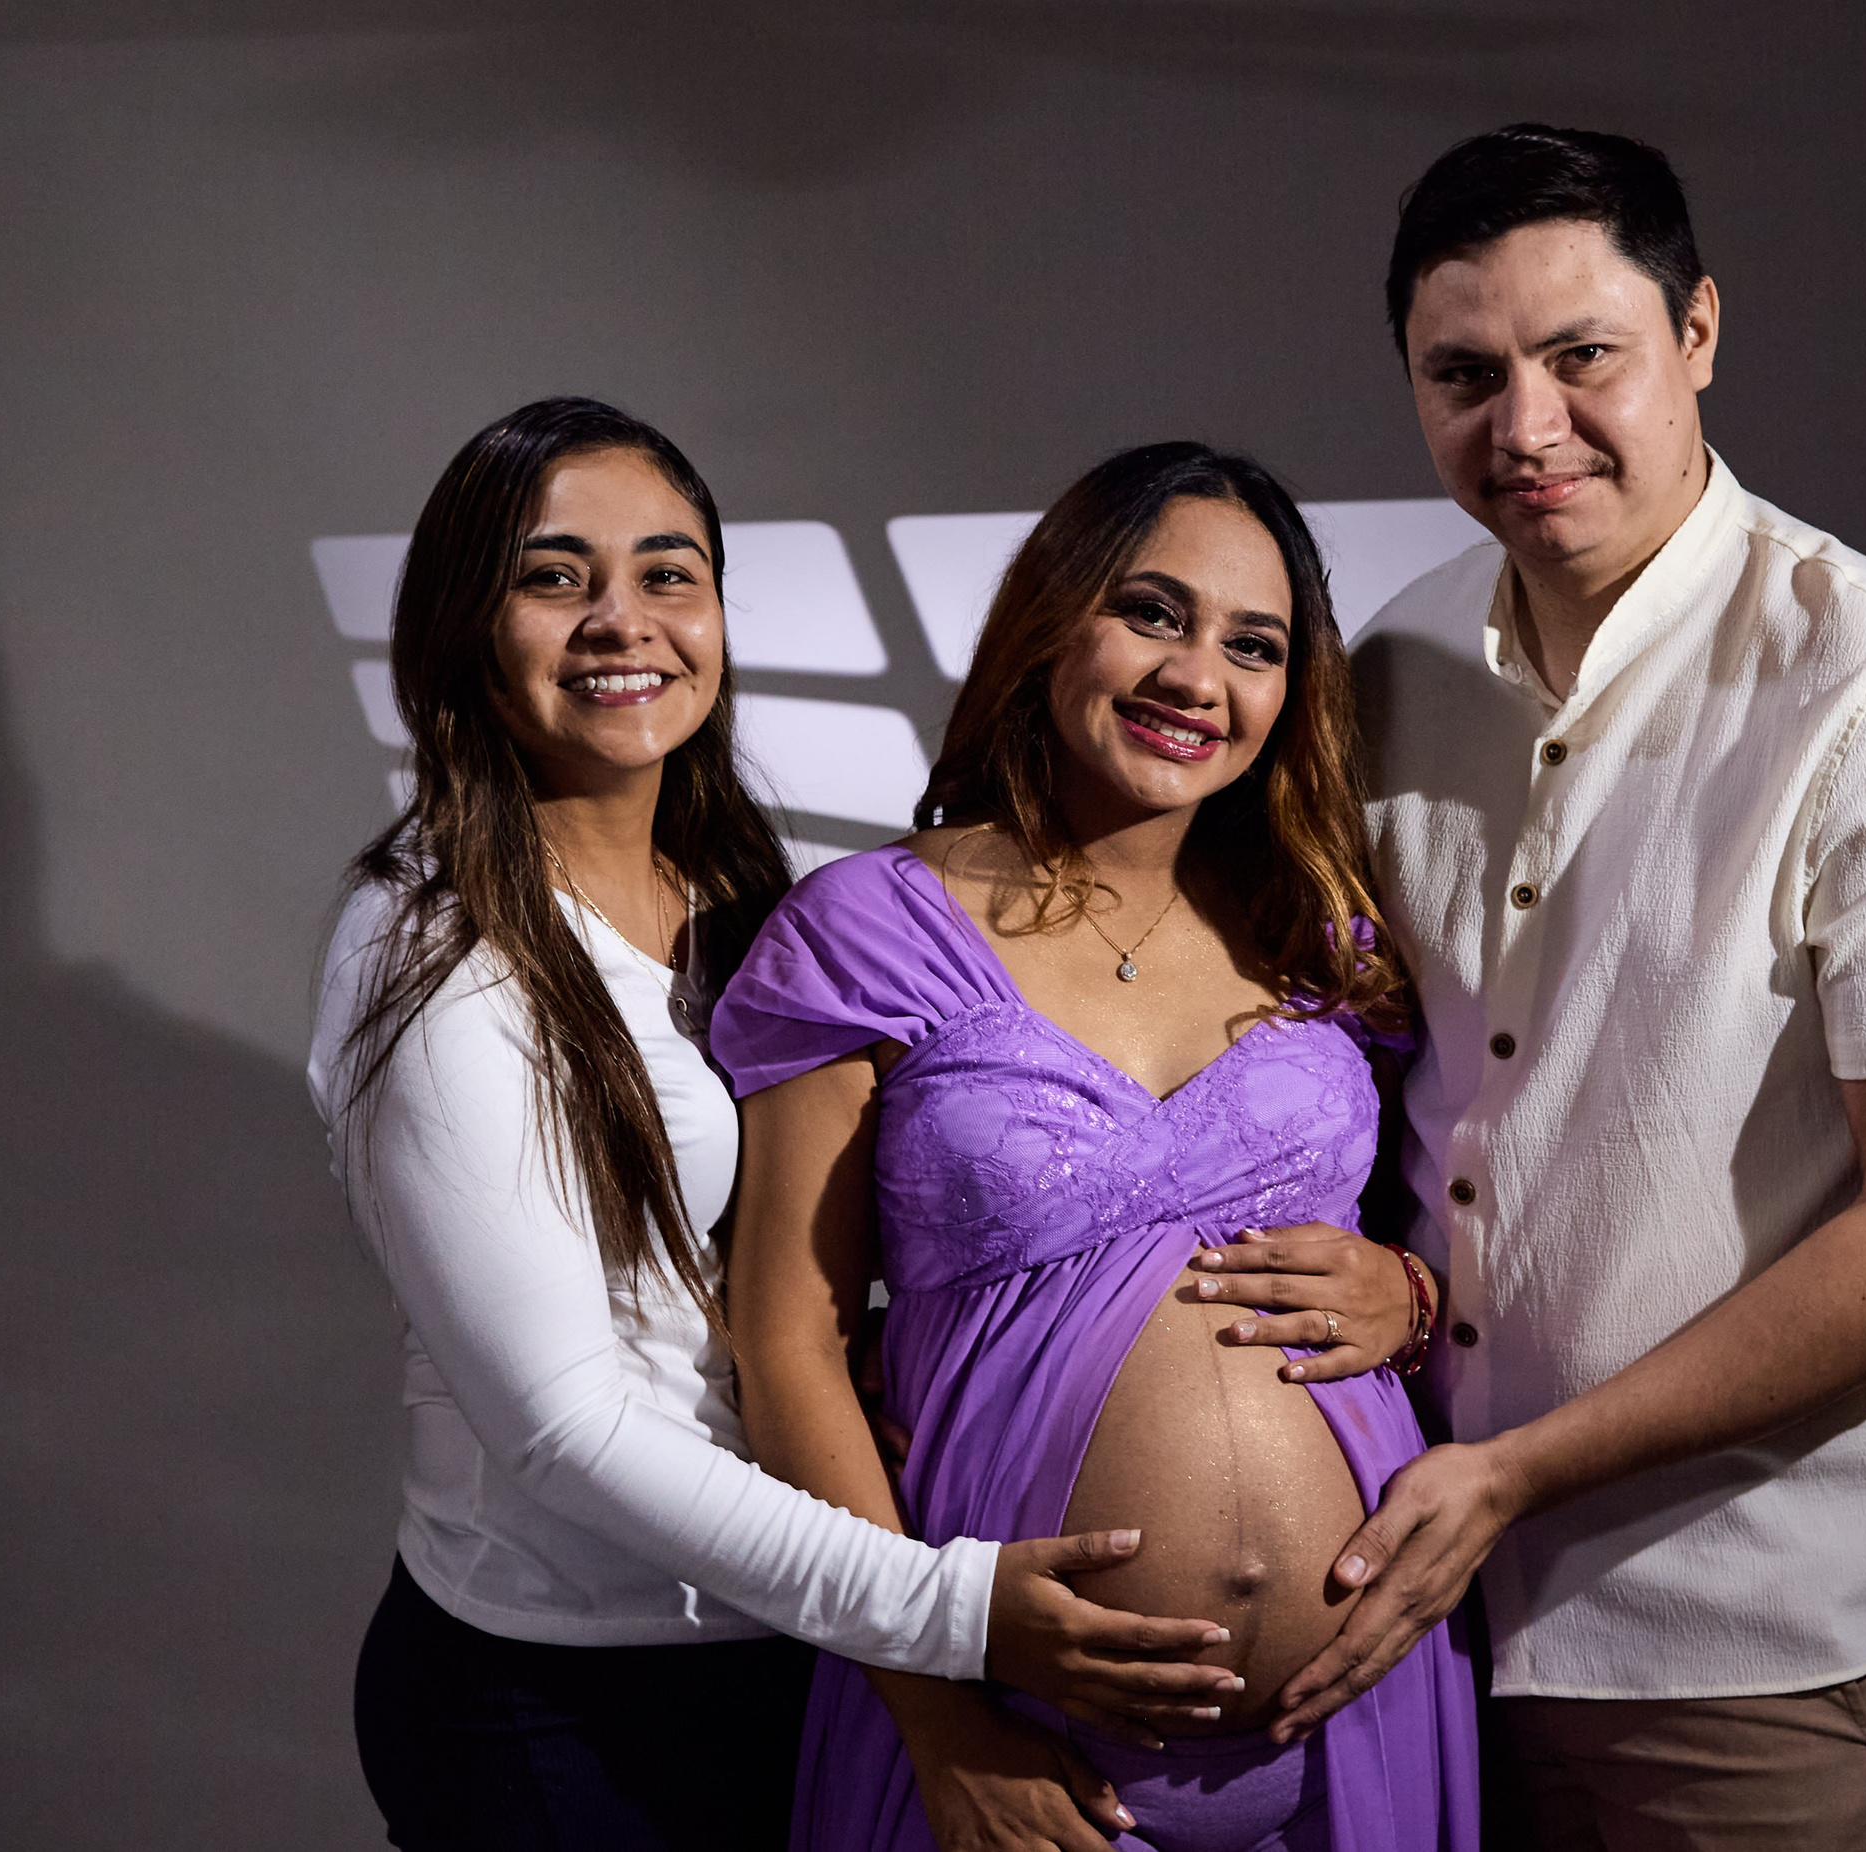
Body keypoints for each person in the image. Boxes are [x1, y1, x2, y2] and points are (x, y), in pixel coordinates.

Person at [1191, 126, 1866, 1848]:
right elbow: (1381, 1092)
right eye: (1463, 374)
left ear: (1699, 335)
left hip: (1744, 1647)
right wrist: (1391, 1282)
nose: (1523, 427)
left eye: (1580, 355)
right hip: (1412, 1616)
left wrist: (1519, 1471)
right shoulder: (1383, 670)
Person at [308, 398, 1242, 1850]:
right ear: (462, 628)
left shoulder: (739, 891)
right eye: (557, 577)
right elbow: (560, 1427)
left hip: (790, 1656)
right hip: (565, 1703)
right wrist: (949, 1621)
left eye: (669, 573)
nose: (624, 621)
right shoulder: (430, 949)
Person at [713, 442, 1480, 1852]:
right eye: (1156, 612)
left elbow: (1438, 1220)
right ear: (1053, 615)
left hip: (1363, 1717)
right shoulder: (865, 928)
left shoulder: (1326, 941)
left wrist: (1416, 1299)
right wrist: (940, 1718)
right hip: (1007, 1739)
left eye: (1255, 645)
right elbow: (786, 1347)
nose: (1201, 675)